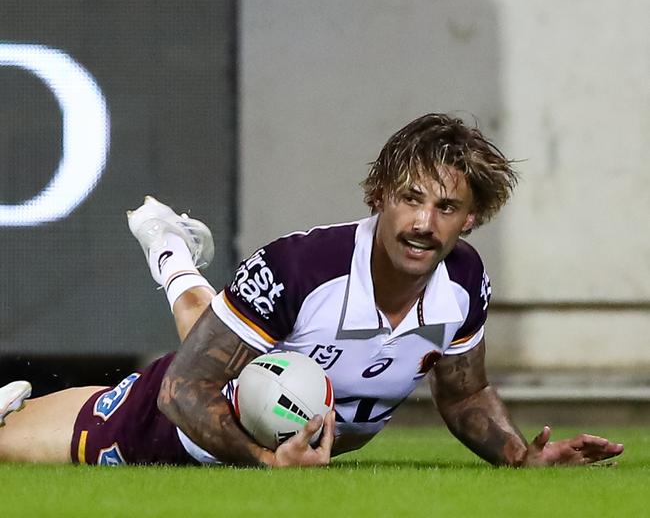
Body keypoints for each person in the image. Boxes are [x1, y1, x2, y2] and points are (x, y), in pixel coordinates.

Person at [0, 114, 625, 468]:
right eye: (409, 199)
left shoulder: (464, 283)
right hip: (168, 431)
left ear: (471, 219)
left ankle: (171, 250)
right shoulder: (302, 266)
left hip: (251, 381)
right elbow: (181, 391)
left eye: (446, 207)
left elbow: (464, 395)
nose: (422, 224)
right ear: (378, 197)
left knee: (223, 332)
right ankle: (168, 252)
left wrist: (521, 459)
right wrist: (269, 462)